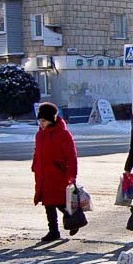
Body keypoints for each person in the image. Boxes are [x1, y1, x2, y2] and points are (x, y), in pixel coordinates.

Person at [32, 102, 78, 243]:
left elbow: (71, 156)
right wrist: (35, 166)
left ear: (52, 119)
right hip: (44, 175)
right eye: (40, 121)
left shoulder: (63, 134)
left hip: (58, 174)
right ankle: (53, 231)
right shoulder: (40, 135)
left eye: (44, 121)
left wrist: (72, 174)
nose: (41, 124)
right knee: (48, 204)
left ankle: (74, 220)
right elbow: (37, 152)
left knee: (59, 202)